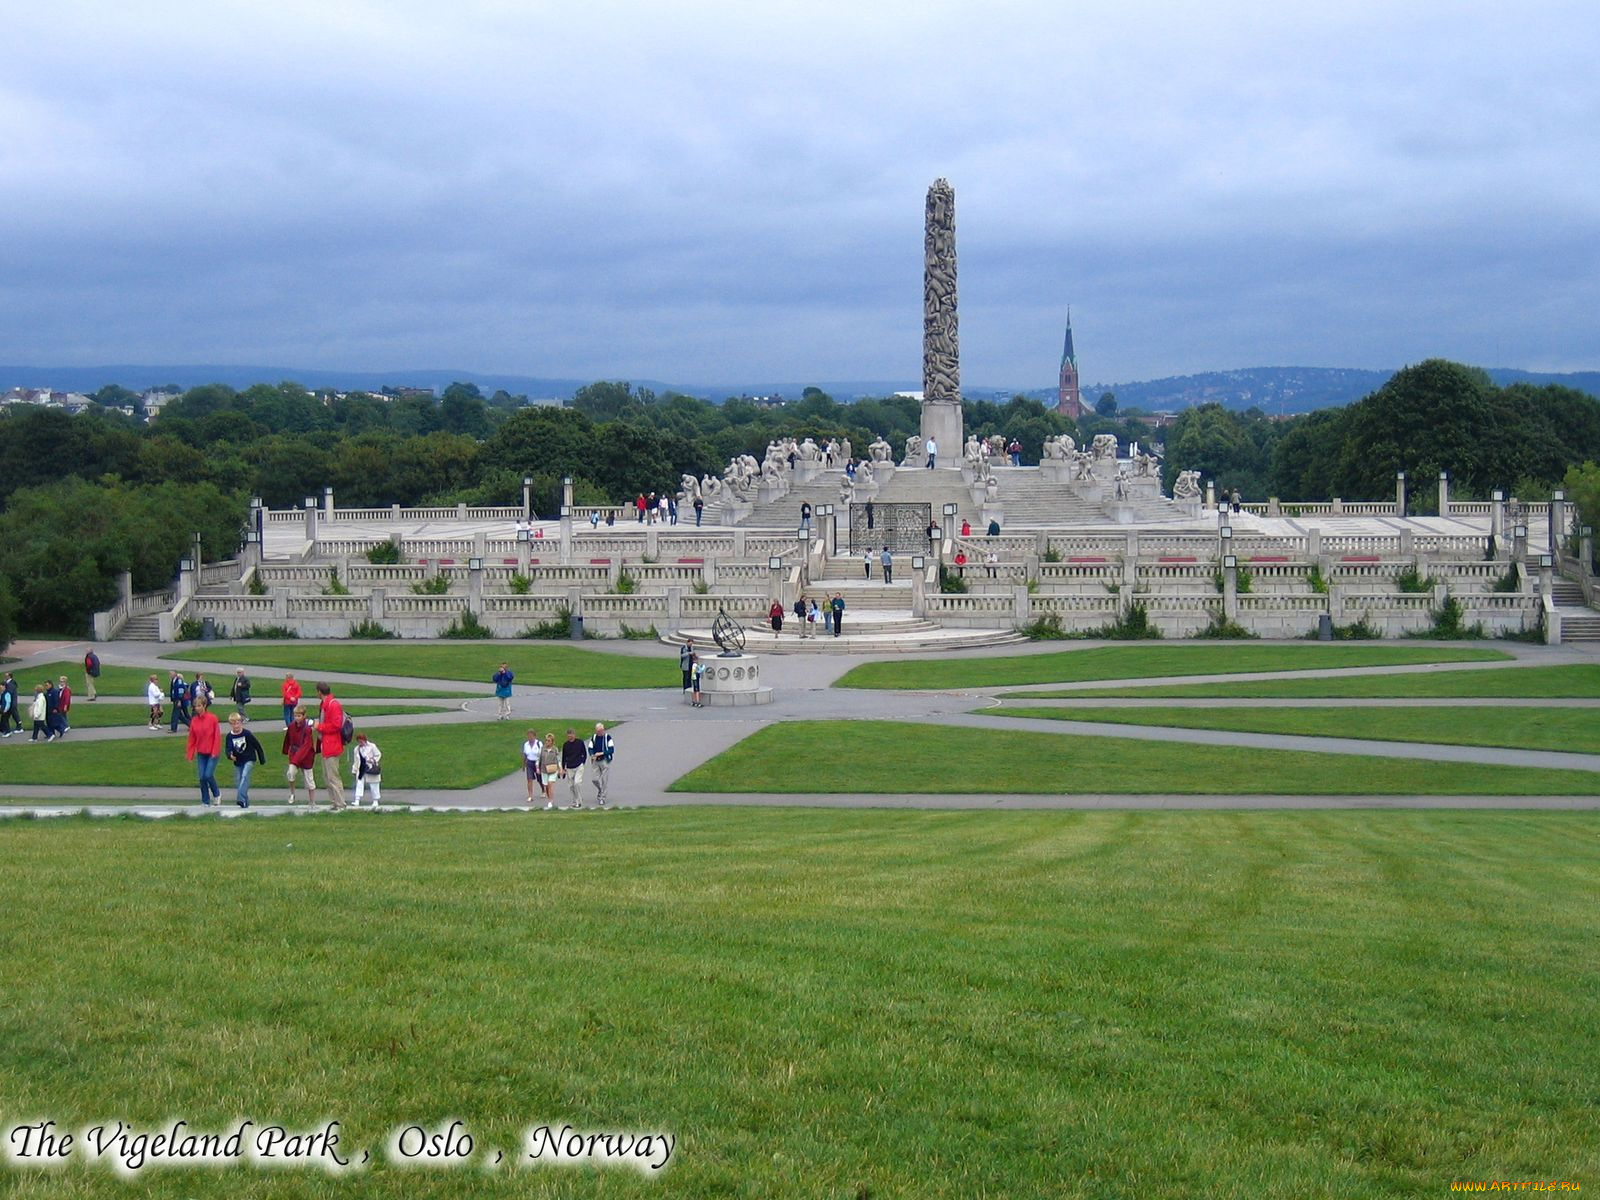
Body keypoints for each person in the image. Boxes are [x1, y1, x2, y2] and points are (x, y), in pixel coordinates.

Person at [314, 682, 348, 811]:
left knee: (333, 776)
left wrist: (319, 727)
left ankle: (341, 803)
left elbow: (336, 725)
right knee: (327, 777)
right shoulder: (325, 704)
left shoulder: (333, 705)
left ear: (319, 692)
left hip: (332, 745)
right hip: (325, 744)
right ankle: (334, 802)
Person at [223, 711, 266, 809]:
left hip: (249, 759)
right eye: (234, 724)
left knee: (244, 776)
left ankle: (240, 799)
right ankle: (245, 802)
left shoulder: (247, 734)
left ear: (241, 723)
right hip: (238, 761)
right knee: (239, 781)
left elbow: (257, 746)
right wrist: (230, 755)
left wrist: (261, 758)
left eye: (238, 723)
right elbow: (228, 748)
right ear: (230, 725)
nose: (236, 726)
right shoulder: (229, 736)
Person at [185, 697, 223, 806]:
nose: (197, 708)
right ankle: (205, 801)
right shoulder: (194, 721)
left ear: (204, 706)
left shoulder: (212, 718)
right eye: (195, 706)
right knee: (202, 777)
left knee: (208, 775)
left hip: (212, 752)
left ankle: (217, 794)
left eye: (199, 706)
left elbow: (216, 736)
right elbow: (192, 738)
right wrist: (190, 753)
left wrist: (215, 751)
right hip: (201, 752)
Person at [282, 704, 318, 805]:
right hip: (294, 753)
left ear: (304, 716)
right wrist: (286, 750)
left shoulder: (307, 729)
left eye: (299, 716)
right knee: (291, 773)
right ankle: (292, 794)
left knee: (309, 779)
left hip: (306, 756)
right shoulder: (292, 726)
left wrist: (296, 759)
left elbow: (306, 746)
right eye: (295, 716)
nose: (297, 718)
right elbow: (287, 739)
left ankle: (312, 801)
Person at [352, 733, 383, 809]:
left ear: (365, 740)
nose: (360, 743)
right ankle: (357, 800)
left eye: (361, 741)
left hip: (370, 767)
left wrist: (373, 760)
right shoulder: (356, 749)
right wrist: (354, 769)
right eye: (359, 741)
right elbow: (356, 760)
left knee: (374, 784)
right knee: (359, 784)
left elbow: (378, 754)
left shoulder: (372, 746)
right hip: (361, 768)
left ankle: (375, 800)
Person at [560, 728, 588, 809]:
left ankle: (578, 802)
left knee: (577, 783)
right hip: (569, 767)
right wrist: (563, 768)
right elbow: (564, 757)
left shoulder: (580, 742)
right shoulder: (565, 745)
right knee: (571, 785)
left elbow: (584, 753)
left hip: (579, 765)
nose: (570, 736)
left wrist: (583, 762)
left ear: (574, 735)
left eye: (572, 734)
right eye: (569, 735)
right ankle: (574, 800)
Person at [589, 723, 615, 807]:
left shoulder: (608, 737)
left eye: (601, 730)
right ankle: (600, 790)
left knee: (604, 780)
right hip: (596, 761)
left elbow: (611, 750)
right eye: (598, 731)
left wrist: (602, 753)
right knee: (595, 779)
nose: (600, 732)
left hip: (605, 760)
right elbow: (590, 748)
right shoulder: (594, 737)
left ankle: (602, 798)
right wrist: (592, 755)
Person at [539, 731, 561, 809]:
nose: (547, 742)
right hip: (544, 770)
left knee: (550, 784)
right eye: (546, 740)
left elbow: (558, 759)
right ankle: (549, 799)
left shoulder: (555, 749)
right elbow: (539, 759)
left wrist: (560, 768)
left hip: (553, 769)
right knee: (546, 786)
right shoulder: (542, 749)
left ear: (552, 742)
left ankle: (550, 801)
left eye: (549, 740)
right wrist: (538, 767)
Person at [523, 729, 543, 804]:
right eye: (528, 736)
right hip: (529, 763)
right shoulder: (526, 744)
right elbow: (525, 754)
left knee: (539, 778)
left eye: (531, 736)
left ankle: (543, 790)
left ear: (534, 736)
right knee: (529, 779)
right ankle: (530, 795)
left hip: (537, 763)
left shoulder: (539, 743)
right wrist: (523, 764)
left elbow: (542, 754)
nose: (530, 738)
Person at [0, 671, 18, 736]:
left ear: (4, 686)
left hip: (6, 710)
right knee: (4, 720)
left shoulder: (7, 694)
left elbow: (8, 702)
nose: (0, 688)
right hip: (4, 709)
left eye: (1, 686)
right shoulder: (2, 693)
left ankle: (7, 732)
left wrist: (5, 710)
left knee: (4, 720)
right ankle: (6, 731)